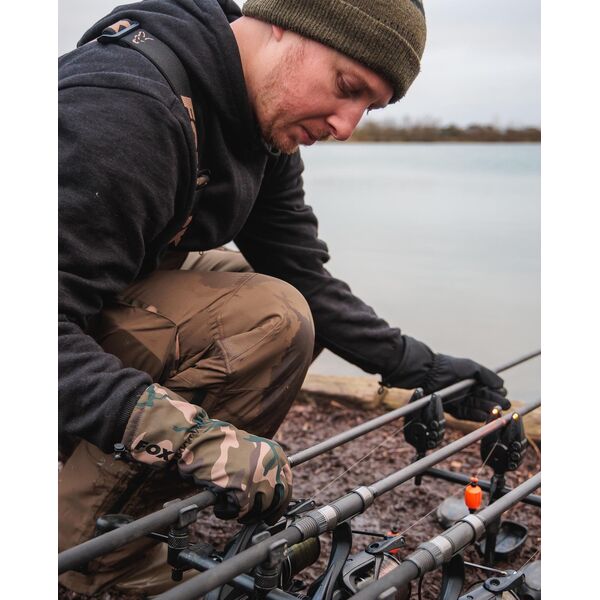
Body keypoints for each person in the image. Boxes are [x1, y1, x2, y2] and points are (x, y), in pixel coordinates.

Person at [58, 0, 509, 595]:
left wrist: (419, 367)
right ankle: (89, 560)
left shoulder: (260, 122)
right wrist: (190, 438)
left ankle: (129, 501)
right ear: (284, 24)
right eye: (347, 87)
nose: (346, 126)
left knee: (277, 295)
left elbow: (302, 274)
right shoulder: (126, 112)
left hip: (79, 305)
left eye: (369, 107)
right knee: (267, 318)